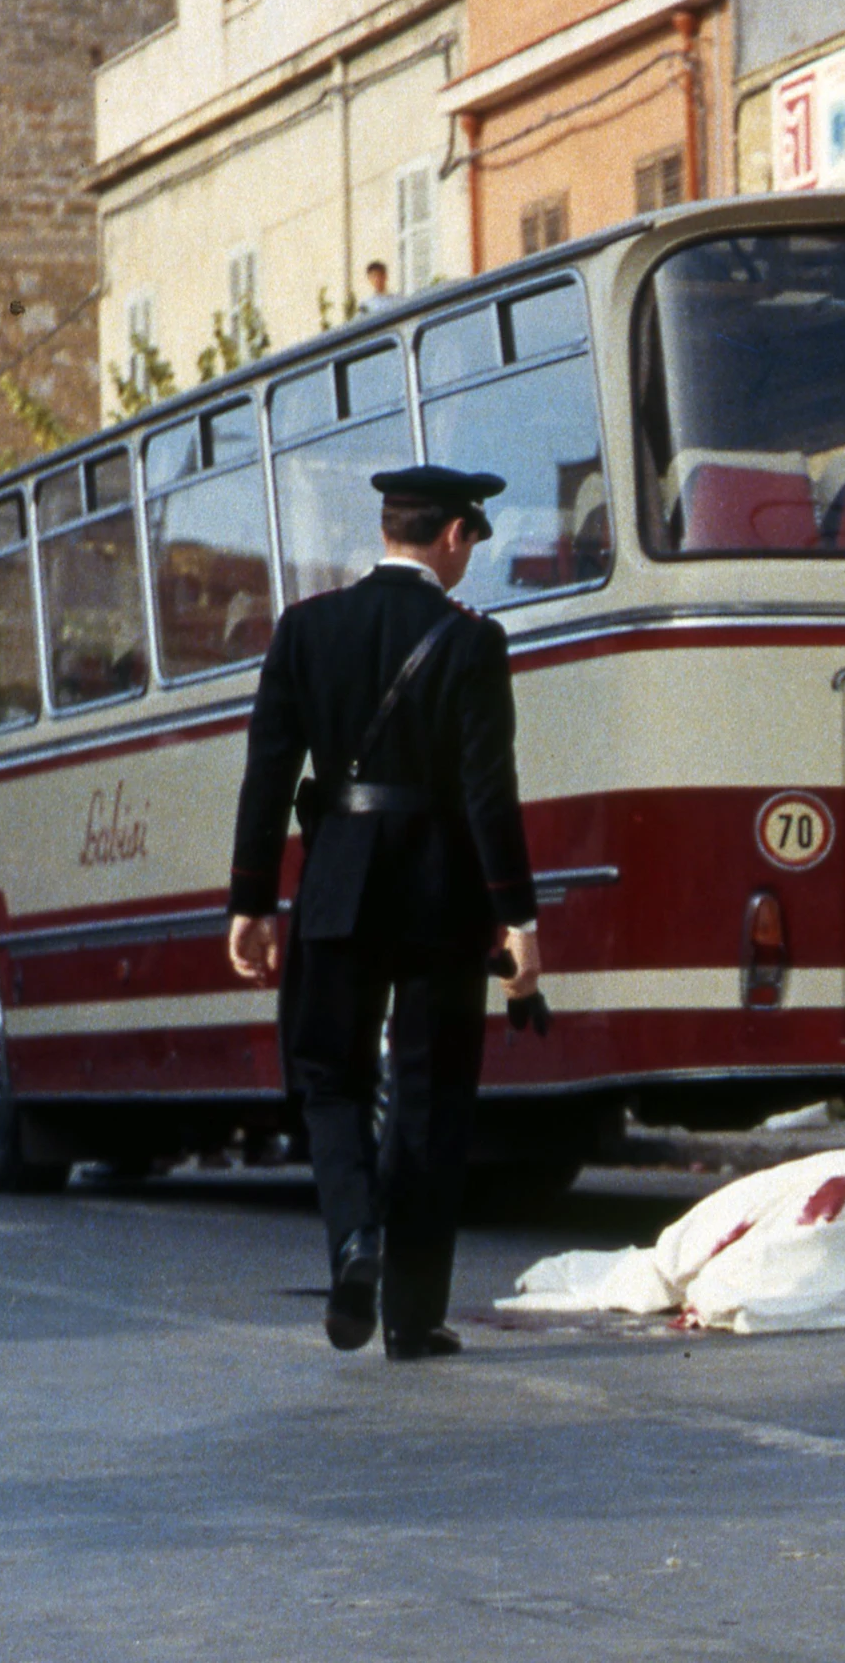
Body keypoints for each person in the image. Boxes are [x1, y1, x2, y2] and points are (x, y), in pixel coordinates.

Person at [225, 464, 543, 1361]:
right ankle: (410, 1314)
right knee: (432, 1093)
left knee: (328, 1075)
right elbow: (491, 795)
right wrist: (517, 917)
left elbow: (268, 774)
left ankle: (354, 1238)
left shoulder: (305, 628)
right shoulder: (470, 641)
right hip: (439, 891)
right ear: (451, 536)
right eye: (472, 543)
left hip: (335, 878)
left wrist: (250, 900)